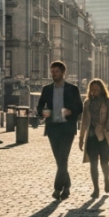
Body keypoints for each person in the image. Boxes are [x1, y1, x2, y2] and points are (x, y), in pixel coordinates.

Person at [36, 60, 83, 200]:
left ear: (63, 72)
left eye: (56, 72)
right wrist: (44, 112)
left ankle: (57, 189)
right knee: (60, 160)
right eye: (52, 72)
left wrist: (71, 111)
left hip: (67, 129)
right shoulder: (47, 89)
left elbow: (79, 107)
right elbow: (39, 107)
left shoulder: (72, 89)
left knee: (63, 158)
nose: (53, 74)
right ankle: (67, 185)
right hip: (53, 128)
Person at [79, 79, 109, 198]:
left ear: (101, 89)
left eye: (96, 89)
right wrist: (81, 138)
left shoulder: (108, 101)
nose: (94, 92)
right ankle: (96, 189)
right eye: (92, 90)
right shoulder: (87, 103)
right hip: (91, 137)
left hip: (104, 135)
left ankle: (106, 179)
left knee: (104, 161)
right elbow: (84, 121)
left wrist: (107, 125)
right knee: (93, 164)